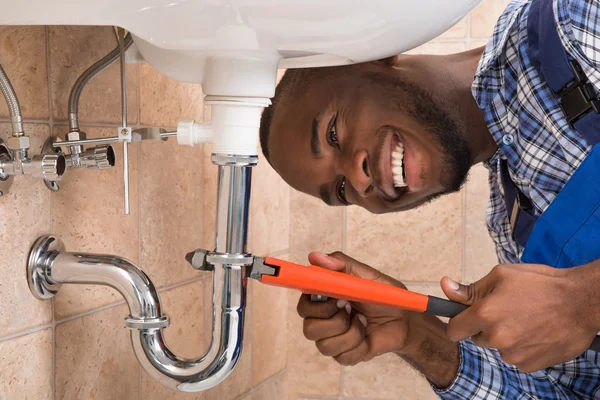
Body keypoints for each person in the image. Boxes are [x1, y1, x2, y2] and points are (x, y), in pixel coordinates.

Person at [258, 0, 600, 398]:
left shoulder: (574, 21)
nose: (357, 177)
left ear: (373, 55)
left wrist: (585, 295)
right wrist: (415, 332)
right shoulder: (515, 228)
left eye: (334, 132)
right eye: (340, 191)